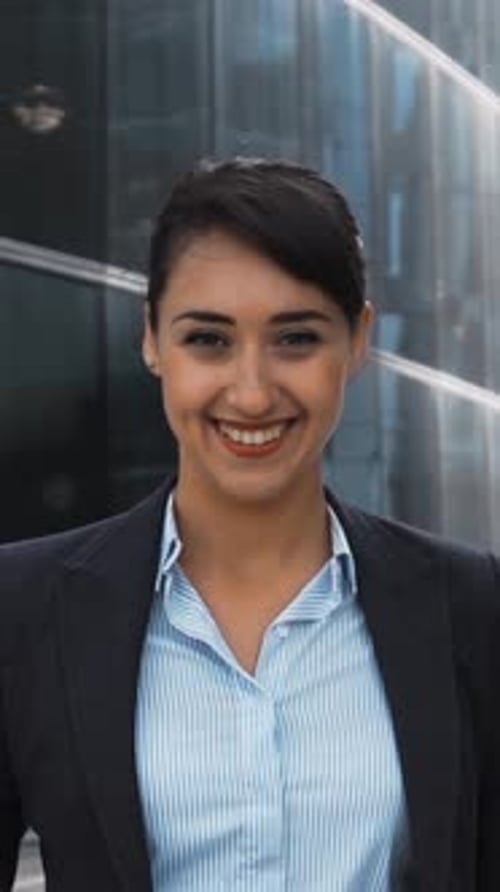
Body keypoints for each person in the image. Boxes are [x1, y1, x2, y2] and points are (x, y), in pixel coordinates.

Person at [0, 158, 499, 892]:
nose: (253, 392)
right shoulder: (25, 604)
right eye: (208, 339)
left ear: (358, 341)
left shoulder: (470, 606)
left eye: (296, 338)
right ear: (151, 340)